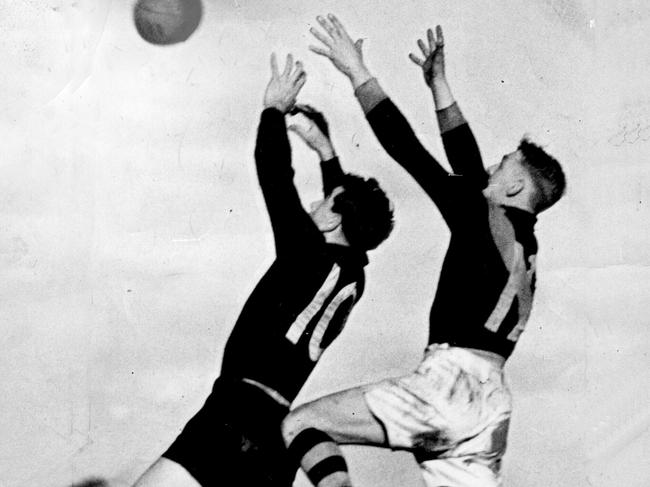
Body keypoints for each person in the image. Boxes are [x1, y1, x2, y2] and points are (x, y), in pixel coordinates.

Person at [282, 15, 566, 487]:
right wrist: (439, 86)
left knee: (301, 425)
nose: (488, 170)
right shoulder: (520, 241)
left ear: (514, 185)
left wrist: (358, 72)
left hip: (448, 382)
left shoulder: (487, 220)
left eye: (502, 165)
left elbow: (410, 150)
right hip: (492, 406)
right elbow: (470, 166)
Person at [132, 52, 394, 487]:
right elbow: (346, 209)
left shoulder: (305, 251)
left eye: (322, 202)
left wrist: (272, 109)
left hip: (232, 415)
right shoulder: (354, 276)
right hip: (276, 438)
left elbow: (274, 173)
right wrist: (327, 152)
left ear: (332, 218)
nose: (313, 205)